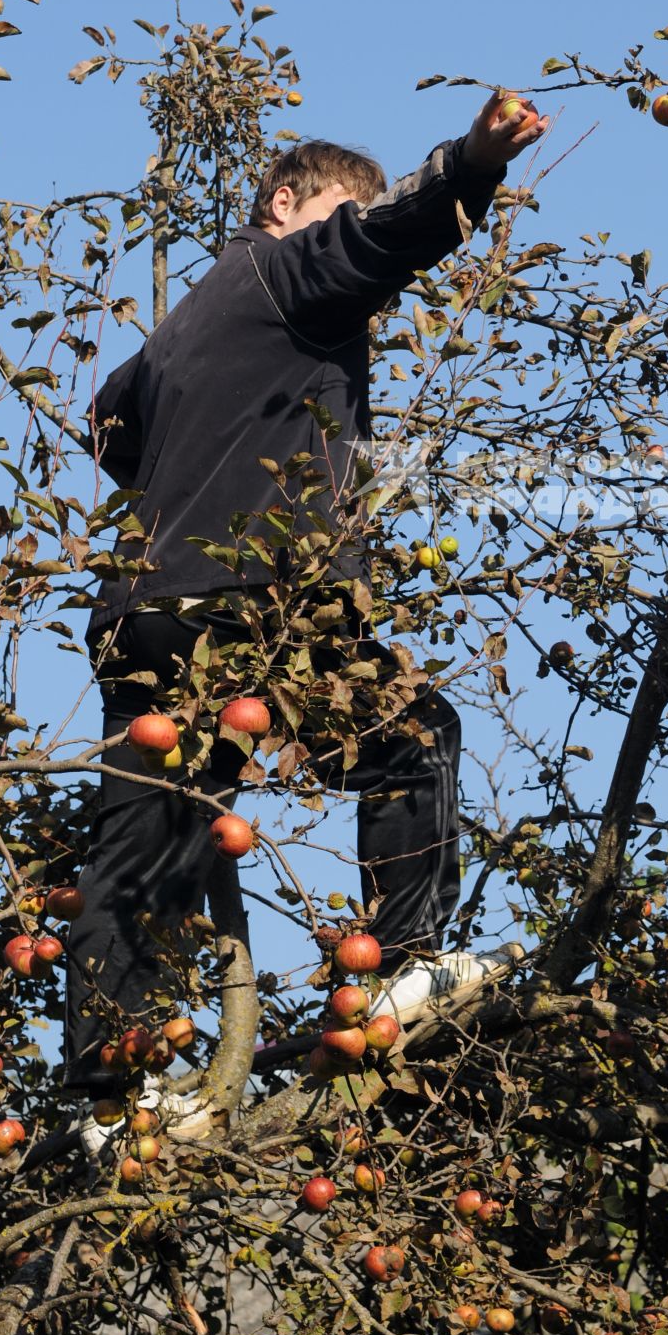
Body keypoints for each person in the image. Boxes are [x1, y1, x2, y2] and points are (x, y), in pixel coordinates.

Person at [67, 93, 545, 1142]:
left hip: (147, 612)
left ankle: (109, 1097)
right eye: (332, 215)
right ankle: (397, 973)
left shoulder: (190, 317)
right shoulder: (285, 270)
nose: (346, 245)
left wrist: (200, 468)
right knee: (415, 735)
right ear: (284, 203)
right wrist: (471, 162)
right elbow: (387, 236)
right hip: (250, 604)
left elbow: (107, 422)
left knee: (148, 843)